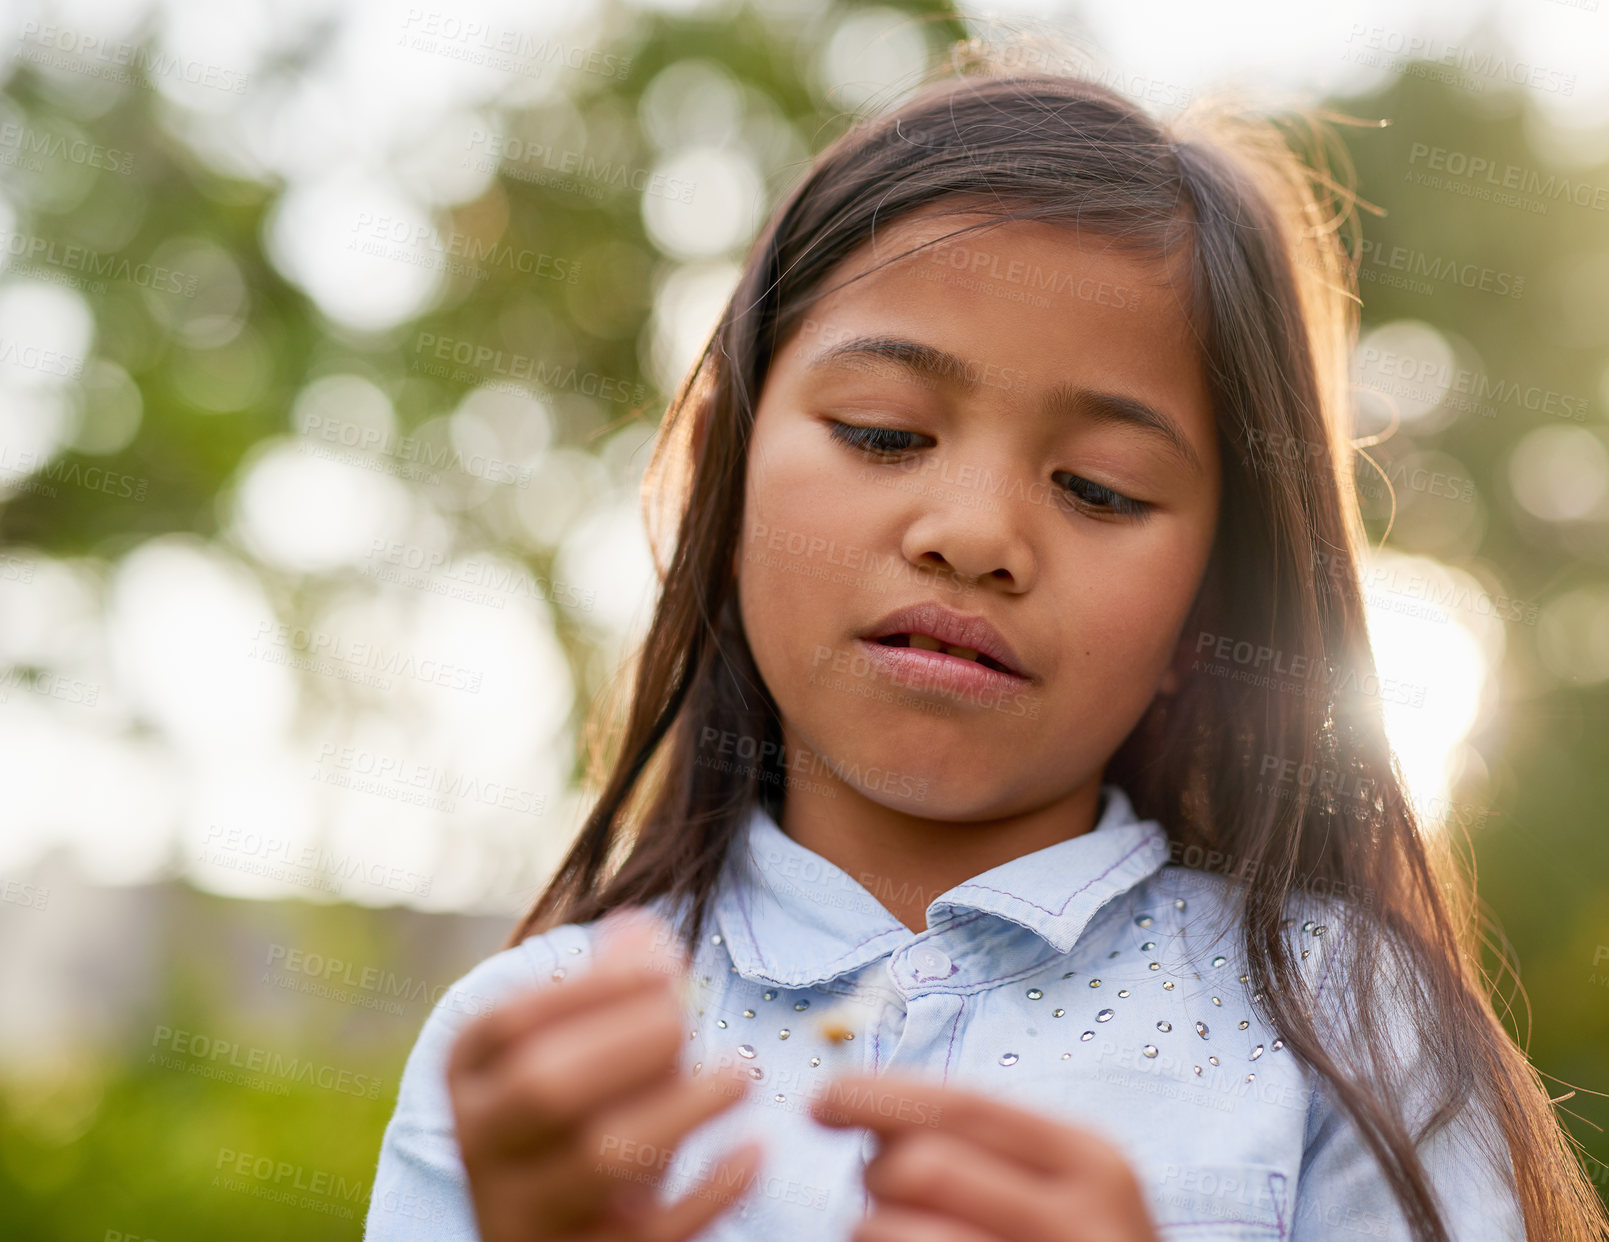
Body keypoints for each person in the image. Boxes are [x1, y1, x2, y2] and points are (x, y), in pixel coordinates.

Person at [363, 39, 1609, 1242]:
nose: (973, 536)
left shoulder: (1353, 1028)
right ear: (721, 477)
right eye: (885, 433)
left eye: (1102, 490)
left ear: (1207, 608)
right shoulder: (525, 1057)